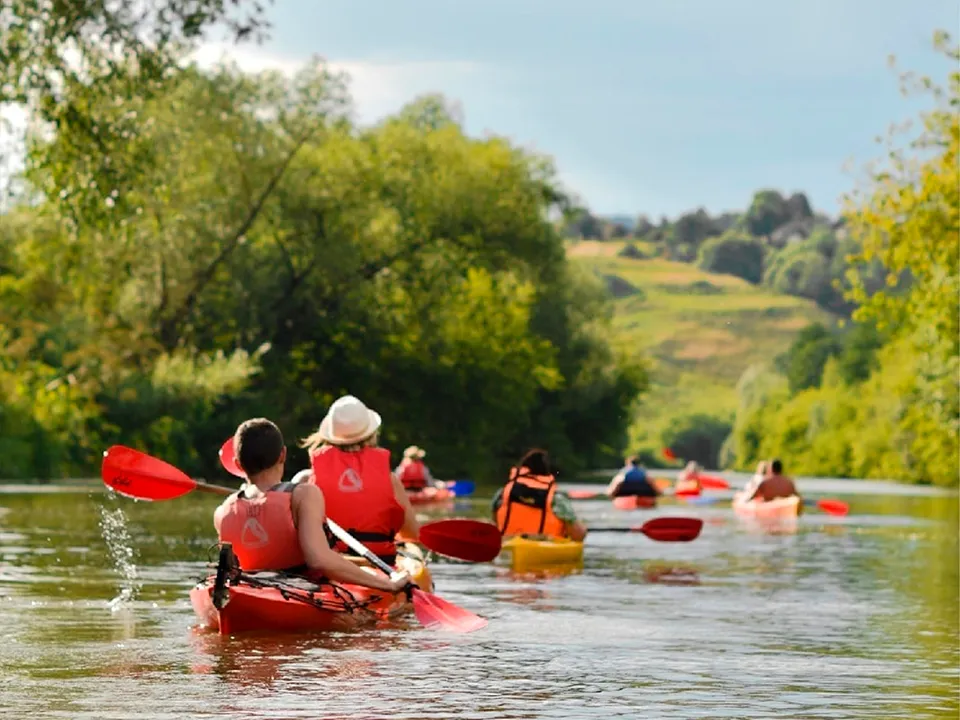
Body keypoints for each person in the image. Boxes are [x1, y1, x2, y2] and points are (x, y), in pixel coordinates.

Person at [213, 417, 411, 594]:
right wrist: (388, 584)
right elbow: (319, 560)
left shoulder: (223, 510)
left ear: (238, 465)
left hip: (249, 589)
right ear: (283, 455)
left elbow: (228, 571)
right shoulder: (303, 494)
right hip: (302, 589)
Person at [300, 395, 420, 564]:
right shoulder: (390, 479)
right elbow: (412, 534)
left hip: (330, 564)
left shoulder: (306, 480)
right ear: (371, 434)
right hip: (379, 562)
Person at [491, 448, 588, 542]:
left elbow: (496, 523)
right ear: (546, 471)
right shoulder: (556, 500)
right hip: (543, 548)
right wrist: (583, 530)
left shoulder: (502, 494)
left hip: (508, 544)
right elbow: (578, 536)